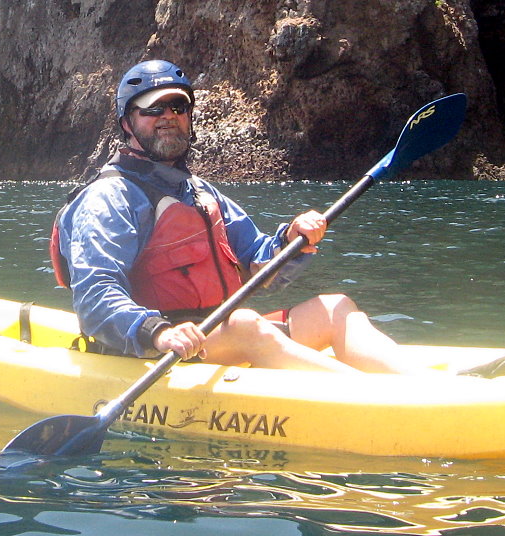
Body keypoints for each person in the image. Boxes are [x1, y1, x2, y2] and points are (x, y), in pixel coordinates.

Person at [51, 59, 440, 374]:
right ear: (127, 123)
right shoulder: (109, 198)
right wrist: (158, 332)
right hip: (153, 352)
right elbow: (95, 294)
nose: (168, 116)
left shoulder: (199, 193)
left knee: (335, 307)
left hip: (217, 339)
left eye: (179, 107)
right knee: (245, 324)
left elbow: (257, 261)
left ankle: (418, 384)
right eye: (153, 109)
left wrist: (291, 241)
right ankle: (386, 404)